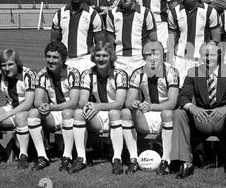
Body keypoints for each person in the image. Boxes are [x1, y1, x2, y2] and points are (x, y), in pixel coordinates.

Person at [171, 41, 226, 181]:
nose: (208, 58)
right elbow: (182, 97)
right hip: (201, 119)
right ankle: (185, 163)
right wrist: (192, 107)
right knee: (179, 113)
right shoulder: (193, 73)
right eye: (205, 55)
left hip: (223, 120)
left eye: (211, 54)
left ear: (218, 55)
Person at [121, 41, 180, 175]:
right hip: (146, 118)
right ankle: (133, 159)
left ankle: (166, 161)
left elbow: (172, 103)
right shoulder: (138, 73)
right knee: (125, 112)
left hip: (164, 116)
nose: (152, 57)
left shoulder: (172, 72)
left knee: (167, 113)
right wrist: (133, 104)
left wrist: (151, 106)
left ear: (163, 55)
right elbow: (129, 100)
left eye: (156, 53)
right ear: (144, 57)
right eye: (148, 54)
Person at [70, 41, 128, 174]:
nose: (101, 59)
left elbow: (119, 103)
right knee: (79, 113)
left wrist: (98, 106)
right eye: (98, 55)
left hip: (117, 116)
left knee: (114, 112)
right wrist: (87, 106)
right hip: (98, 115)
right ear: (93, 57)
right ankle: (81, 158)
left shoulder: (120, 74)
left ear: (111, 56)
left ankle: (117, 159)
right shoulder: (87, 74)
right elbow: (82, 100)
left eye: (104, 55)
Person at [0, 49, 36, 169]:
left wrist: (6, 115)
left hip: (27, 111)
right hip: (10, 109)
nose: (6, 68)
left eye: (10, 64)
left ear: (17, 63)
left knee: (20, 116)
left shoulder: (28, 74)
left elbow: (28, 103)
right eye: (3, 65)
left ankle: (23, 155)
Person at [27, 41, 80, 171]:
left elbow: (73, 102)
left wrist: (51, 107)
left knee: (68, 112)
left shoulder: (73, 73)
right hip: (55, 113)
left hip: (73, 114)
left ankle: (66, 157)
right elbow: (38, 99)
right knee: (33, 113)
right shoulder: (42, 74)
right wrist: (42, 106)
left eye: (55, 57)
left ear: (64, 59)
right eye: (48, 56)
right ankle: (42, 157)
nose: (51, 61)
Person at [167, 0, 220, 86]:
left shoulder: (210, 11)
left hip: (200, 60)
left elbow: (216, 40)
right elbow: (171, 41)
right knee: (180, 97)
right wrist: (170, 62)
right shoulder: (174, 12)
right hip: (180, 60)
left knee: (199, 99)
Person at [51, 0, 106, 73]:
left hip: (86, 62)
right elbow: (54, 42)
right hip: (66, 61)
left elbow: (100, 44)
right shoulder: (60, 14)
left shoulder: (93, 15)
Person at [106, 0, 158, 77]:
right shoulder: (112, 14)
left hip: (140, 60)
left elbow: (154, 40)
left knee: (142, 92)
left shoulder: (145, 12)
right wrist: (111, 64)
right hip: (119, 61)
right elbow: (110, 42)